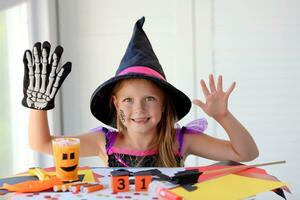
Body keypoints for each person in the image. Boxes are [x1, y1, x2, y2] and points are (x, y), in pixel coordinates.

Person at [22, 17, 259, 167]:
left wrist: (223, 116)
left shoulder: (181, 141)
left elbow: (246, 153)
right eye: (128, 100)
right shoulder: (102, 142)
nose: (139, 109)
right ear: (115, 104)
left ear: (164, 103)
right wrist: (38, 106)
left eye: (150, 99)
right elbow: (42, 144)